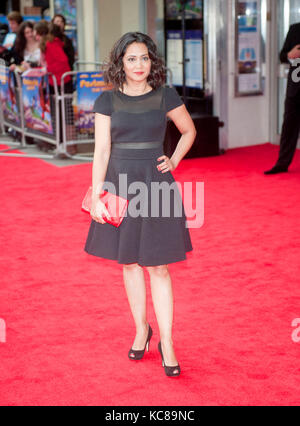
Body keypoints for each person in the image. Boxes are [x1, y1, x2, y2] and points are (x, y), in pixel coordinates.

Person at [84, 32, 196, 377]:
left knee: (159, 267)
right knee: (130, 264)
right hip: (119, 184)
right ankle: (140, 330)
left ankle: (168, 341)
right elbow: (101, 151)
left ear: (153, 62)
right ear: (120, 63)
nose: (138, 64)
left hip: (156, 184)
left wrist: (174, 159)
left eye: (144, 57)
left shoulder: (166, 96)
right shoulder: (107, 101)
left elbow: (188, 131)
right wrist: (96, 195)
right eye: (131, 58)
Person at [265, 23, 300, 175]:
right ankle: (282, 163)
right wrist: (289, 54)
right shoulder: (295, 29)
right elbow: (282, 55)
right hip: (295, 87)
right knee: (288, 128)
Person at [40, 23, 76, 154]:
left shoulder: (52, 45)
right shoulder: (54, 44)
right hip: (58, 81)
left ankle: (63, 145)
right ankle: (61, 144)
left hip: (61, 82)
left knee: (62, 114)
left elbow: (62, 61)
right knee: (59, 114)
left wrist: (47, 69)